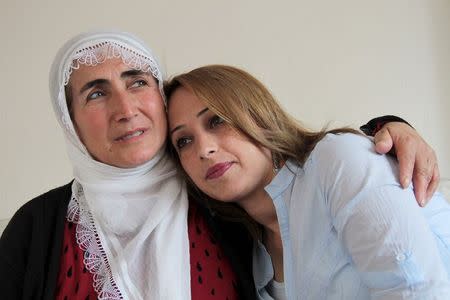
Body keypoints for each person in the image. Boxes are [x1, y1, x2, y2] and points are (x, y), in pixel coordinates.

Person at [0, 30, 440, 299]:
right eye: (95, 93)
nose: (125, 108)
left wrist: (388, 129)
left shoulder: (216, 210)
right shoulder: (36, 228)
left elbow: (415, 282)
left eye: (137, 82)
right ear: (69, 120)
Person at [164, 64, 450, 299]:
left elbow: (418, 290)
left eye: (216, 121)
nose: (203, 150)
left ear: (256, 115)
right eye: (183, 141)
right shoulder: (250, 253)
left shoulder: (337, 159)